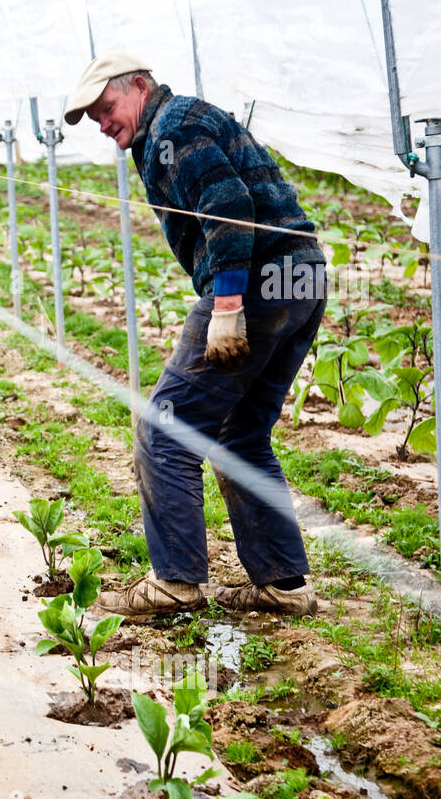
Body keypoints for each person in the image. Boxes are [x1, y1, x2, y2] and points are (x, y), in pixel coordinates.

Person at [63, 52, 327, 617]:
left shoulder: (174, 126)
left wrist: (228, 305)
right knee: (239, 433)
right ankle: (283, 583)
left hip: (258, 283)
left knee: (165, 428)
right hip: (301, 278)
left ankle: (175, 581)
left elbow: (229, 205)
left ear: (138, 85)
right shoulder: (170, 126)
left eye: (107, 109)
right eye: (95, 119)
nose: (104, 124)